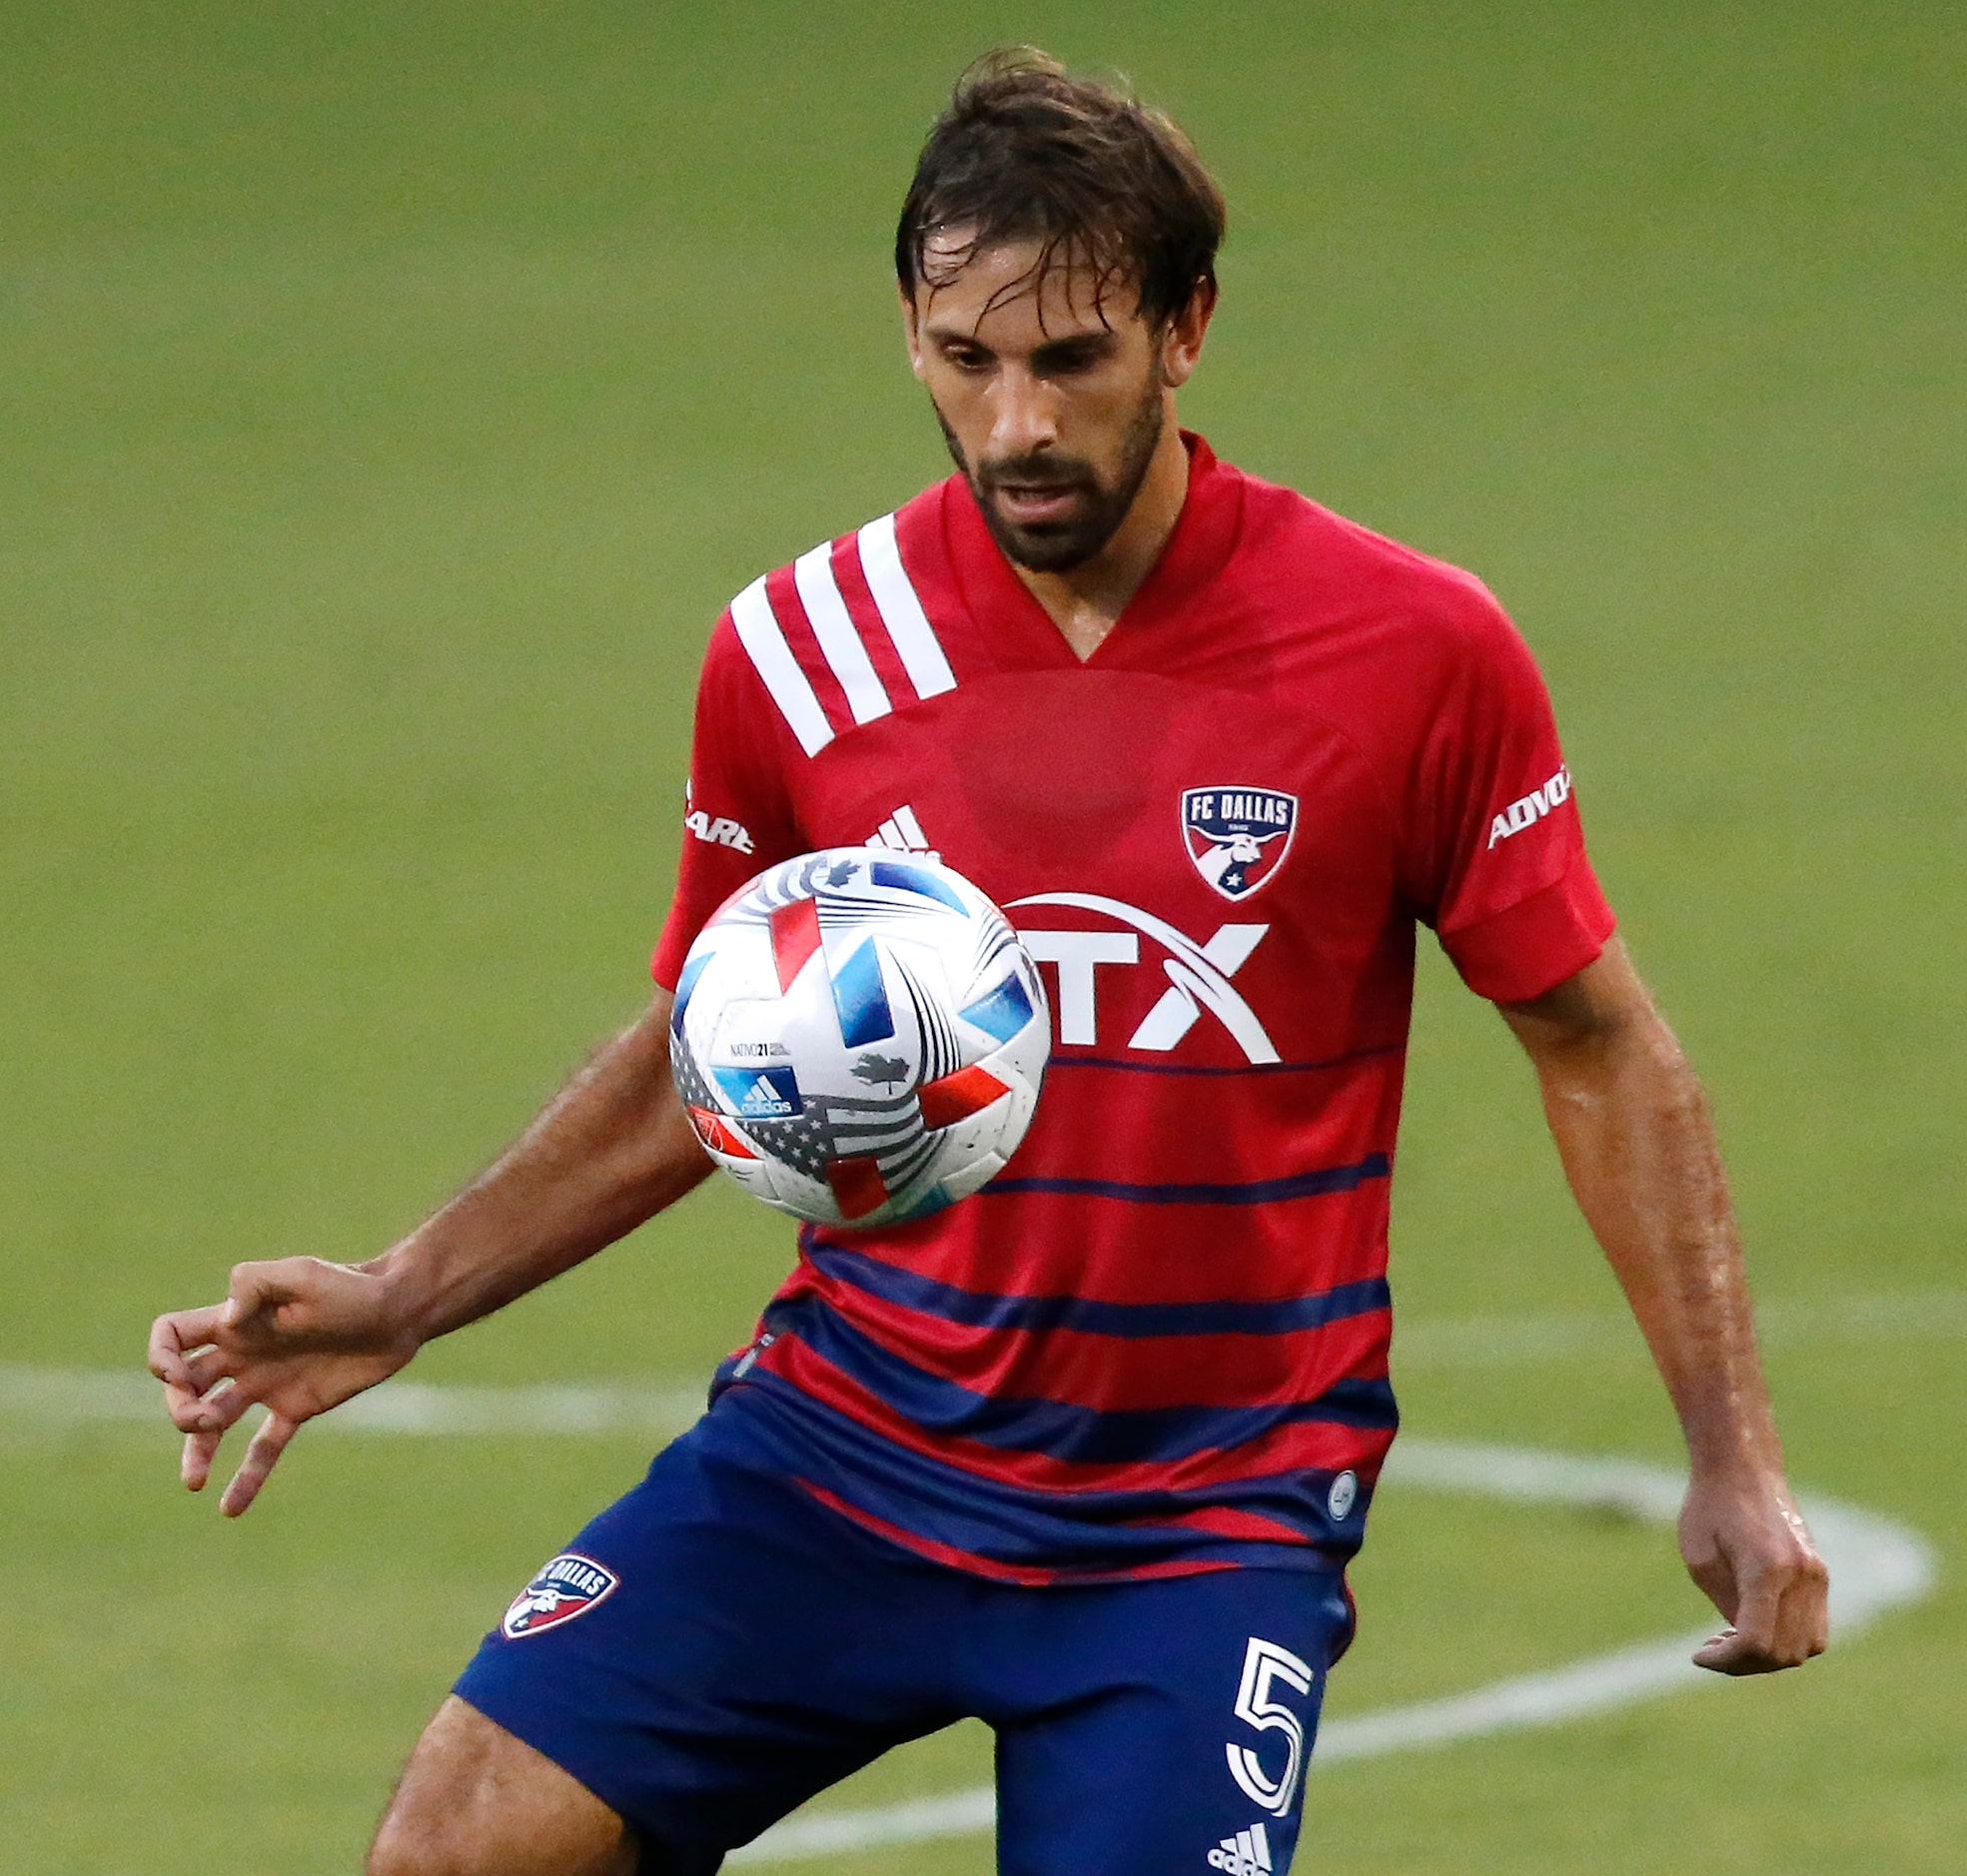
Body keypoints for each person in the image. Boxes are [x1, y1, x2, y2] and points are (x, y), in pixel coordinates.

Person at [147, 50, 1829, 1876]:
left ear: (1186, 330)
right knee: (450, 1859)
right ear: (910, 333)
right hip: (842, 1456)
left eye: (1070, 358)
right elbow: (701, 1051)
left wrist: (1727, 1451)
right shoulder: (799, 647)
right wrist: (409, 1292)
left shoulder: (1409, 652)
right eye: (968, 358)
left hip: (1200, 1527)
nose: (1017, 421)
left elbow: (1595, 1043)